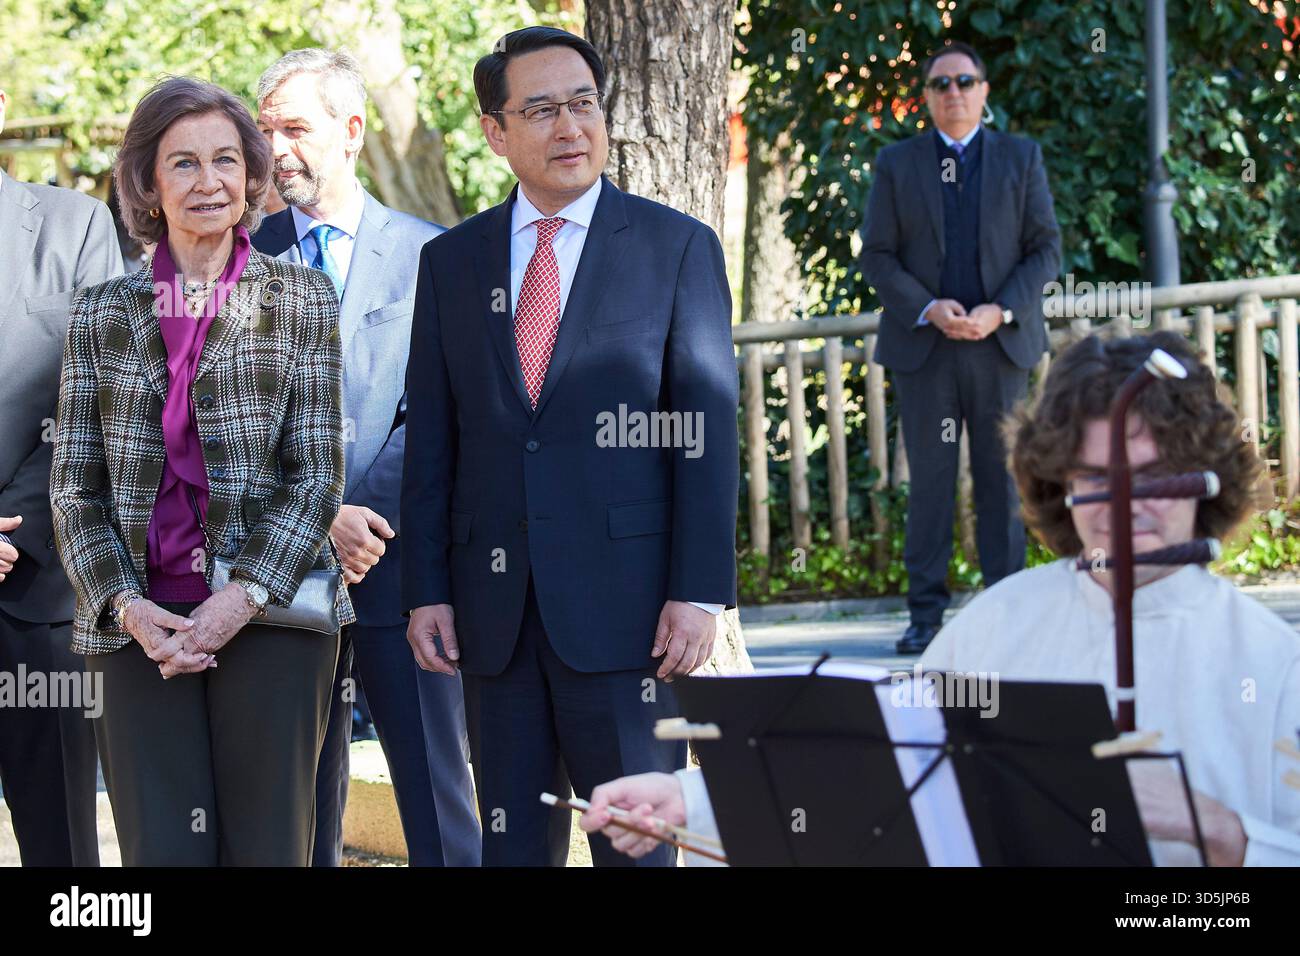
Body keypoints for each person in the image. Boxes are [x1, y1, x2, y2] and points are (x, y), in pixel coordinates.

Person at [581, 333, 1300, 867]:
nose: (1123, 505)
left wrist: (1220, 831)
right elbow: (880, 776)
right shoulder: (1000, 620)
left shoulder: (1272, 663)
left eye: (1151, 477)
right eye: (1094, 476)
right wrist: (686, 800)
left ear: (1203, 478)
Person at [401, 26, 739, 866]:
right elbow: (434, 439)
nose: (570, 128)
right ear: (495, 131)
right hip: (494, 617)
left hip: (632, 619)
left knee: (638, 843)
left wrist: (700, 592)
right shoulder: (451, 262)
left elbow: (705, 431)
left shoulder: (675, 247)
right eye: (542, 109)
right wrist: (427, 589)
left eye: (583, 104)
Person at [49, 76, 352, 865]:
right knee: (161, 854)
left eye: (226, 160)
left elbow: (316, 474)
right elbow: (75, 486)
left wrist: (237, 599)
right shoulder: (101, 312)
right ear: (148, 183)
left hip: (272, 617)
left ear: (253, 176)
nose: (208, 181)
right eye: (182, 163)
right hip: (137, 628)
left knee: (267, 849)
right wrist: (126, 606)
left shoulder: (302, 299)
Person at [253, 47, 480, 867]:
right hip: (280, 575)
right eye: (266, 128)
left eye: (296, 128)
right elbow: (227, 420)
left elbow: (443, 415)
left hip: (404, 574)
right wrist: (321, 518)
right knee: (298, 809)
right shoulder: (243, 259)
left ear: (351, 131)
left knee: (436, 792)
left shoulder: (436, 255)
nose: (277, 148)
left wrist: (362, 522)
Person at [860, 40, 1062, 654]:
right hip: (926, 350)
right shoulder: (897, 164)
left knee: (1003, 481)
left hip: (1000, 348)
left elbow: (1046, 249)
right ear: (925, 97)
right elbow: (877, 254)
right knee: (931, 483)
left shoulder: (1020, 159)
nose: (953, 92)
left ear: (984, 91)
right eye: (941, 84)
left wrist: (998, 310)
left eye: (964, 81)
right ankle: (925, 616)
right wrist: (928, 307)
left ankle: (1008, 616)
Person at [0, 85, 123, 866]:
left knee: (66, 851)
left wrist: (17, 533)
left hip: (40, 599)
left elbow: (103, 398)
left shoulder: (74, 225)